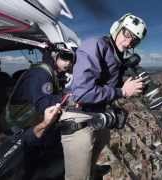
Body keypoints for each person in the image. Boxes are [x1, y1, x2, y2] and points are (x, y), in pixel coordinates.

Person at [60, 13, 147, 180]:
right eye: (127, 34)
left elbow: (106, 86)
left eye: (134, 41)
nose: (128, 42)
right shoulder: (95, 46)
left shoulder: (116, 56)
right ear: (117, 28)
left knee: (90, 166)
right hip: (79, 119)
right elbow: (82, 93)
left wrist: (127, 86)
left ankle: (92, 172)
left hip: (97, 118)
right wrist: (122, 91)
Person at [5, 46, 75, 178]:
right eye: (65, 57)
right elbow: (44, 104)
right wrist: (69, 97)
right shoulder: (41, 74)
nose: (69, 62)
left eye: (72, 59)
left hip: (31, 121)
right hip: (21, 125)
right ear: (55, 55)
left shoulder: (52, 73)